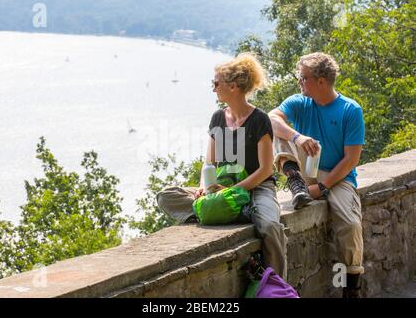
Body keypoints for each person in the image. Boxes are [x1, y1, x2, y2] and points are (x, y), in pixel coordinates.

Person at [156, 53, 288, 280]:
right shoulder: (218, 118)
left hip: (255, 188)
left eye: (216, 83)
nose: (214, 88)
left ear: (234, 86)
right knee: (166, 196)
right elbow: (210, 162)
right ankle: (235, 212)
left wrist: (234, 191)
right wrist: (202, 187)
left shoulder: (259, 120)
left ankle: (277, 286)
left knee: (269, 226)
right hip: (221, 186)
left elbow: (265, 170)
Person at [268, 52, 365, 298]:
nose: (299, 83)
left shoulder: (350, 109)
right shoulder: (299, 102)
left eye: (303, 78)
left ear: (321, 81)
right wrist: (297, 137)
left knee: (350, 225)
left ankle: (349, 288)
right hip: (305, 170)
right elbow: (270, 119)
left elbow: (351, 160)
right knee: (279, 132)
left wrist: (322, 187)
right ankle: (295, 183)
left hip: (338, 177)